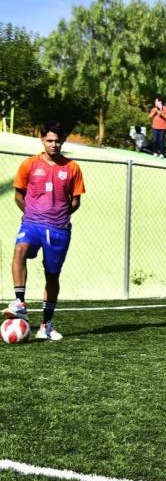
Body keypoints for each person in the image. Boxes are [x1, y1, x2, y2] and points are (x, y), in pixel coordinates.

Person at [3, 122, 86, 340]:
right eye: (49, 140)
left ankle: (46, 326)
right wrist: (30, 213)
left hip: (58, 229)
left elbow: (76, 201)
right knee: (19, 249)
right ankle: (19, 302)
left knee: (52, 275)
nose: (54, 144)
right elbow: (18, 195)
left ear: (63, 141)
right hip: (31, 223)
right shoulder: (29, 164)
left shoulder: (72, 168)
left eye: (58, 140)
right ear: (42, 140)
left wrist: (59, 215)